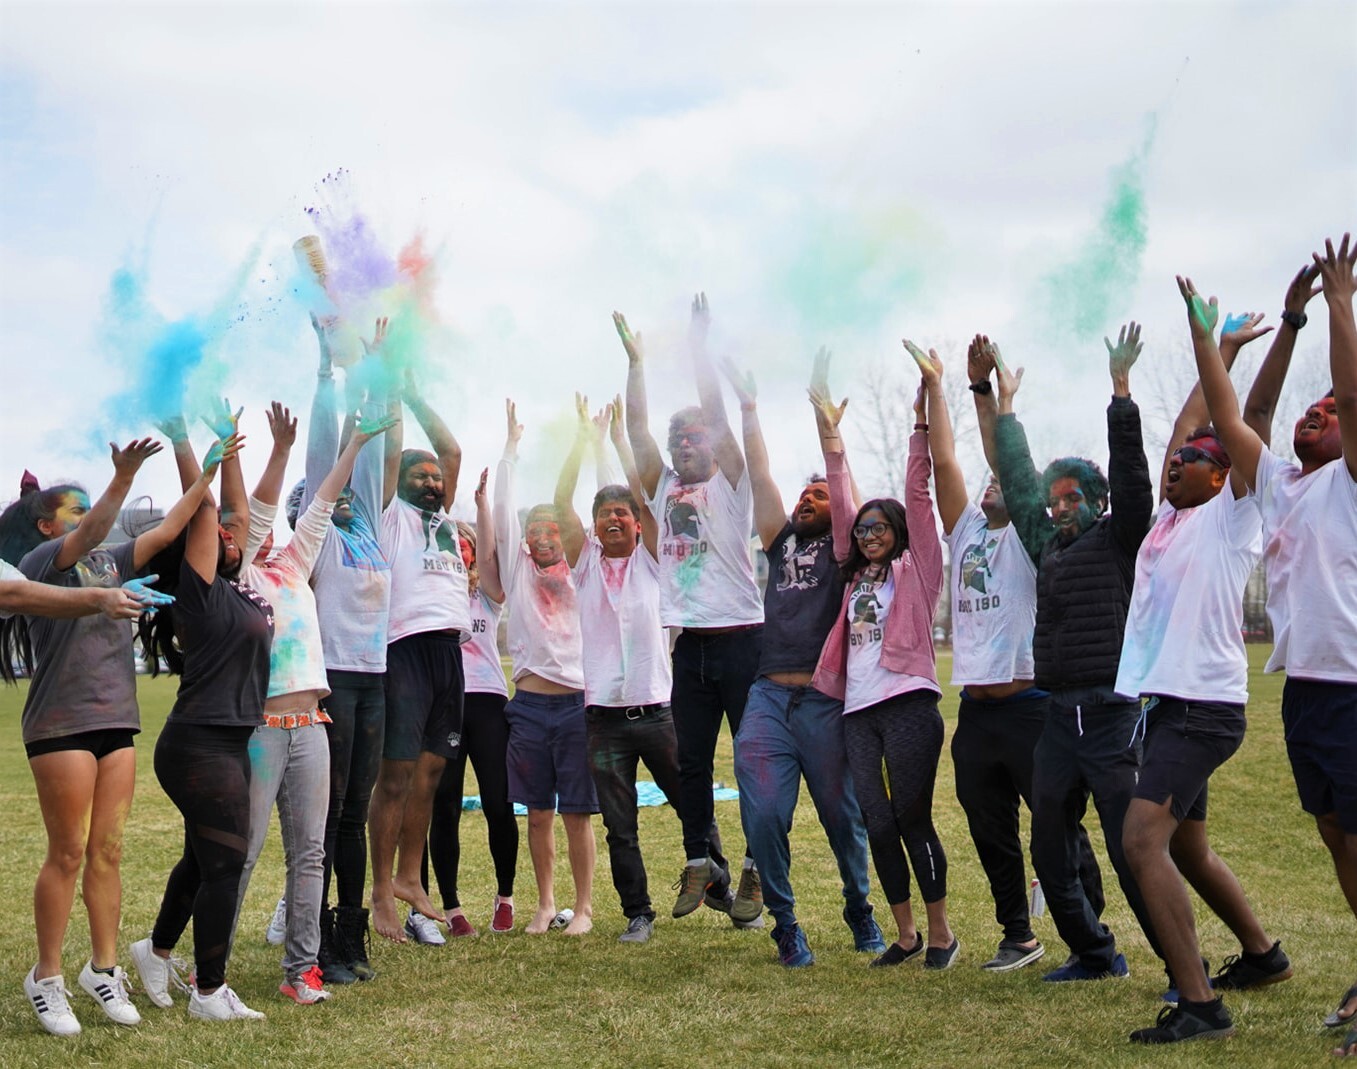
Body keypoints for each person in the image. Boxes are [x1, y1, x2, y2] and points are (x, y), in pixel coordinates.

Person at [1182, 234, 1357, 1058]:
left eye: (1326, 411)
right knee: (1333, 838)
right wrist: (1283, 324)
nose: (1312, 412)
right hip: (1306, 692)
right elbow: (1238, 416)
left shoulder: (1350, 478)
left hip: (1355, 688)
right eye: (1308, 409)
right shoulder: (1282, 484)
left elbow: (1351, 402)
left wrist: (1336, 305)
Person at [1114, 298, 1290, 1044]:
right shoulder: (1167, 520)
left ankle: (1199, 1003)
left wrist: (1235, 350)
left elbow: (1245, 416)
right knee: (1187, 846)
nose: (1175, 462)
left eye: (1191, 461)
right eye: (1177, 457)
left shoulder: (1232, 519)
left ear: (1224, 478)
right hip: (1167, 706)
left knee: (1140, 840)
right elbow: (1191, 428)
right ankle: (1261, 954)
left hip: (1202, 708)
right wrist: (1215, 346)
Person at [0, 440, 216, 1036]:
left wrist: (210, 470)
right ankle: (46, 979)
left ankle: (103, 969)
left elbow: (173, 526)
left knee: (109, 851)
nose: (89, 515)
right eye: (74, 510)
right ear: (47, 525)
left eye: (88, 507)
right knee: (66, 853)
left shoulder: (114, 562)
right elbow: (95, 527)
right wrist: (123, 478)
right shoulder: (49, 560)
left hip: (116, 723)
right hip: (60, 726)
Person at [993, 322, 1159, 983]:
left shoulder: (1123, 540)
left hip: (1113, 713)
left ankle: (1182, 967)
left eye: (1072, 498)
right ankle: (1094, 953)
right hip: (1058, 718)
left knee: (1131, 851)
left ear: (1098, 504)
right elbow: (1016, 479)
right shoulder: (1048, 549)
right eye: (1055, 498)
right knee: (1050, 851)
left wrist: (1119, 392)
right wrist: (1005, 408)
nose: (1060, 507)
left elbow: (1131, 471)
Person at [945, 335, 1104, 972]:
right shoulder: (973, 536)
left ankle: (1089, 925)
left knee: (1056, 827)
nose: (991, 485)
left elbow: (1006, 460)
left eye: (1001, 481)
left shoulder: (1033, 542)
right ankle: (1019, 933)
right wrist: (975, 390)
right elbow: (968, 465)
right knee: (991, 833)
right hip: (976, 714)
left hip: (1031, 707)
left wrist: (994, 400)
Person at [722, 349, 884, 967]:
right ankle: (786, 923)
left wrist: (828, 426)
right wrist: (749, 406)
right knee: (762, 815)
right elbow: (759, 474)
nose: (806, 498)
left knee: (845, 820)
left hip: (824, 703)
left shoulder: (847, 553)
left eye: (817, 494)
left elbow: (849, 497)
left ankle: (859, 905)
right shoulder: (778, 540)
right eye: (803, 492)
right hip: (767, 698)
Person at [230, 401, 395, 1006]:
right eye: (261, 528)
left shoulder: (295, 567)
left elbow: (320, 507)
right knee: (243, 850)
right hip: (263, 729)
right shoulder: (243, 575)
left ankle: (301, 970)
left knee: (310, 853)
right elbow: (259, 516)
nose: (271, 533)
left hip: (312, 725)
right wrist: (276, 453)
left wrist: (352, 445)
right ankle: (209, 970)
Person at [811, 349, 957, 970]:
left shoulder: (916, 571)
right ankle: (904, 936)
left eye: (879, 527)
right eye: (864, 529)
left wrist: (920, 424)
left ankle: (942, 933)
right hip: (858, 712)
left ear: (897, 533)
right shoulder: (853, 580)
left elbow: (916, 497)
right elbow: (842, 503)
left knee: (911, 816)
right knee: (876, 818)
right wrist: (832, 436)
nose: (869, 533)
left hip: (908, 704)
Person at [617, 297, 758, 925]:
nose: (682, 445)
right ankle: (701, 860)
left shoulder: (731, 485)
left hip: (743, 641)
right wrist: (637, 364)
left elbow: (720, 417)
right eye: (679, 439)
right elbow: (637, 430)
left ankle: (756, 866)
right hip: (691, 647)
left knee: (753, 760)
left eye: (693, 436)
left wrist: (700, 347)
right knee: (692, 762)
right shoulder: (664, 486)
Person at [131, 410, 273, 1022]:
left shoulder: (240, 588)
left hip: (229, 742)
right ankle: (210, 992)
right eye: (221, 534)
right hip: (199, 746)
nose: (233, 533)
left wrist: (230, 449)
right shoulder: (199, 590)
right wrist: (191, 444)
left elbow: (234, 512)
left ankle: (155, 949)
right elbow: (212, 511)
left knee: (204, 856)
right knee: (226, 863)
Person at [556, 395, 703, 944]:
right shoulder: (585, 565)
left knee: (693, 807)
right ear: (593, 527)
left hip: (657, 712)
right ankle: (638, 913)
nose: (614, 518)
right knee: (621, 826)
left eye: (623, 513)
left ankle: (719, 886)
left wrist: (616, 443)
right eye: (604, 514)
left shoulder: (654, 562)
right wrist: (582, 443)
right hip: (603, 720)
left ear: (639, 525)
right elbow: (559, 502)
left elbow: (644, 495)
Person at [295, 314, 395, 981]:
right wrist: (330, 365)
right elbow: (327, 449)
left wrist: (377, 369)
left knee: (355, 812)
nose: (349, 491)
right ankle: (320, 940)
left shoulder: (375, 530)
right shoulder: (323, 533)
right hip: (331, 679)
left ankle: (353, 939)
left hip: (374, 681)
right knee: (327, 818)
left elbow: (373, 448)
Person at [368, 374, 471, 943]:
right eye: (421, 475)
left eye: (435, 477)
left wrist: (418, 392)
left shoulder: (443, 519)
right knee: (396, 774)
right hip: (403, 647)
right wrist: (394, 393)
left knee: (432, 772)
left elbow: (452, 449)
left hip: (448, 651)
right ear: (401, 483)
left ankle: (411, 876)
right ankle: (381, 888)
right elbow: (389, 448)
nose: (433, 482)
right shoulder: (390, 515)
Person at [489, 398, 595, 936]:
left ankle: (583, 908)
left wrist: (580, 442)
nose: (542, 534)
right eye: (534, 528)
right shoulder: (517, 568)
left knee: (577, 811)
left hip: (577, 703)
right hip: (529, 706)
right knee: (536, 812)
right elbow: (505, 508)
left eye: (551, 527)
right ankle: (545, 902)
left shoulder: (582, 567)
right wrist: (509, 449)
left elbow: (571, 505)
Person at [421, 479, 517, 939]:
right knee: (445, 807)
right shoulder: (433, 593)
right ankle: (453, 907)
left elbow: (493, 550)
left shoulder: (487, 595)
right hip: (444, 704)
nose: (460, 553)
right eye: (452, 547)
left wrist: (482, 504)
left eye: (467, 547)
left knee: (500, 802)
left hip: (488, 703)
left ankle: (505, 897)